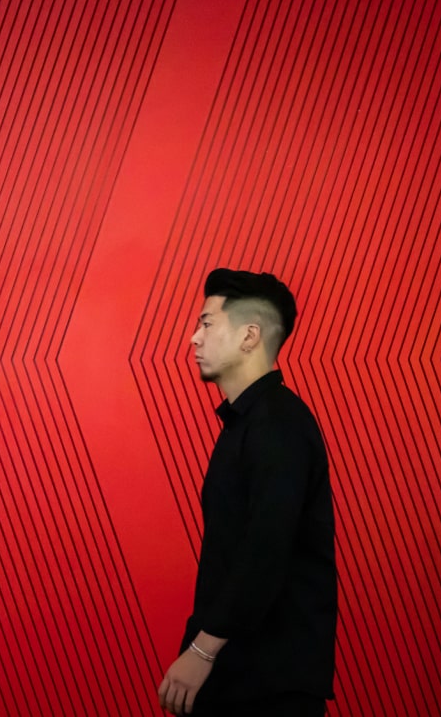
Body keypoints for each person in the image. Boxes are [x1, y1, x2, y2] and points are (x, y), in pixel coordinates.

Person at [157, 268, 337, 716]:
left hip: (267, 686)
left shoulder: (278, 423)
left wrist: (201, 651)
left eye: (207, 323)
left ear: (249, 336)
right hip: (237, 677)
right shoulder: (249, 423)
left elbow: (266, 548)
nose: (194, 338)